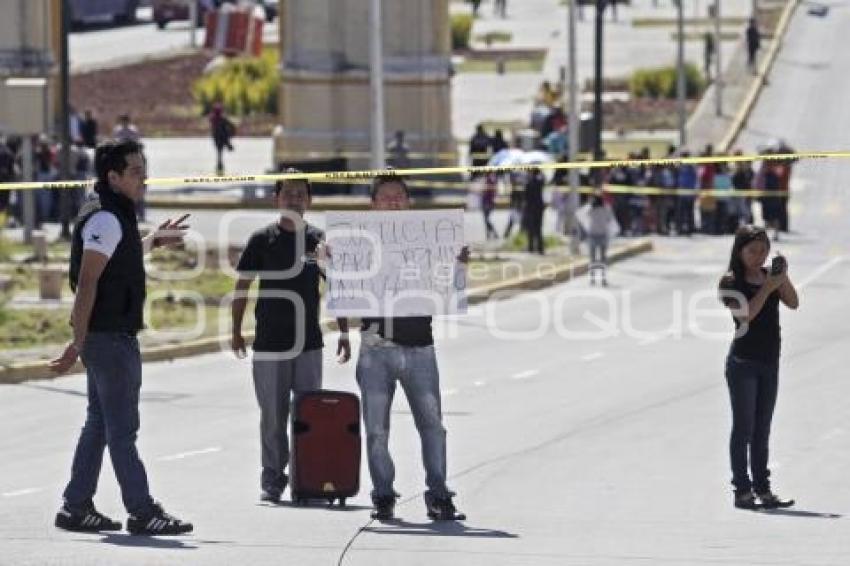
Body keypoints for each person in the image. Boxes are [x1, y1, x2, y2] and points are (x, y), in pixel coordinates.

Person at [50, 139, 193, 535]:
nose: (143, 177)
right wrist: (78, 342)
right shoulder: (106, 218)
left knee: (98, 422)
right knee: (122, 430)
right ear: (112, 176)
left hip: (106, 335)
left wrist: (152, 241)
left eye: (144, 168)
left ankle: (76, 505)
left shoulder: (111, 214)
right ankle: (142, 511)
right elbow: (88, 283)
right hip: (110, 338)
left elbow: (116, 259)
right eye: (135, 171)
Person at [336, 174, 467, 522]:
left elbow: (448, 289)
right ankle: (383, 494)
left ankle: (438, 494)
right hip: (376, 350)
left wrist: (458, 265)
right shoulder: (357, 240)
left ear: (409, 202)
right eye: (386, 196)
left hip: (421, 348)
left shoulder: (427, 240)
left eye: (399, 196)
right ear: (373, 204)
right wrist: (328, 259)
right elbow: (341, 285)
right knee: (377, 430)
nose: (393, 202)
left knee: (433, 426)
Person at [231, 171, 327, 503]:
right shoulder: (261, 240)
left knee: (309, 416)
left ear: (309, 200)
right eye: (288, 194)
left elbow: (340, 286)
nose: (294, 199)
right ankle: (273, 478)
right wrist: (235, 331)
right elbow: (241, 287)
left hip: (309, 343)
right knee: (272, 416)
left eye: (301, 194)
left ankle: (307, 478)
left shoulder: (319, 241)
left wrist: (343, 332)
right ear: (277, 199)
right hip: (269, 343)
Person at [718, 225, 799, 510]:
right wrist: (768, 286)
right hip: (743, 363)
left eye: (763, 250)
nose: (759, 256)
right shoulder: (730, 282)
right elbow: (746, 315)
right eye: (752, 250)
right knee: (744, 428)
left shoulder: (770, 277)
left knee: (762, 430)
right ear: (739, 251)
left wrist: (782, 277)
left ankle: (763, 490)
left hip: (769, 360)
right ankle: (742, 491)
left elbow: (793, 302)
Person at [587, 194, 615, 287]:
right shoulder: (606, 209)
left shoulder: (590, 210)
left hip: (592, 235)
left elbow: (584, 215)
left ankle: (592, 278)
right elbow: (610, 219)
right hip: (603, 235)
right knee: (603, 258)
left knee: (592, 259)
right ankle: (603, 278)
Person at [523, 168, 546, 254]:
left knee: (531, 229)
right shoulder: (539, 182)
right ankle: (540, 248)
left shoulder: (529, 183)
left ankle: (531, 247)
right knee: (538, 229)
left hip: (530, 208)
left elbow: (526, 197)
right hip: (539, 208)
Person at [209, 103, 236, 175]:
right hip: (221, 138)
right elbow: (232, 125)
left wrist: (231, 133)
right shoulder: (218, 119)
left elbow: (231, 126)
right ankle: (220, 166)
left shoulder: (214, 119)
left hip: (220, 138)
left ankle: (219, 166)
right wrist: (231, 133)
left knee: (219, 152)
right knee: (220, 153)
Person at [481, 172, 499, 240]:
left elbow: (486, 192)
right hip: (488, 202)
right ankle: (488, 234)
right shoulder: (492, 180)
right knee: (486, 219)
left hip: (487, 202)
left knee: (486, 219)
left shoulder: (489, 180)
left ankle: (494, 233)